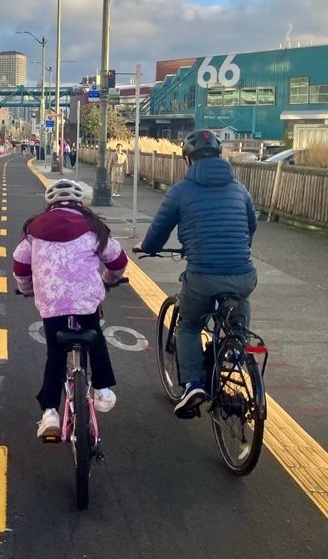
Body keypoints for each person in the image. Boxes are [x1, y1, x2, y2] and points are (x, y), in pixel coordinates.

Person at [132, 129, 258, 418]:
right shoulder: (239, 189)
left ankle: (192, 385)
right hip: (243, 271)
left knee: (188, 325)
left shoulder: (180, 191)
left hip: (203, 275)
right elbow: (251, 226)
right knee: (240, 297)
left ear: (188, 160)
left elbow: (158, 232)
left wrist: (146, 247)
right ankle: (236, 347)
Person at [13, 179, 128, 439]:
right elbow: (118, 260)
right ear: (80, 203)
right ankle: (102, 390)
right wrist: (109, 279)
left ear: (50, 204)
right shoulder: (94, 227)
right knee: (95, 336)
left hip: (52, 304)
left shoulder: (34, 227)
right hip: (86, 301)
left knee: (55, 354)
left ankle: (50, 413)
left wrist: (27, 288)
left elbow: (20, 264)